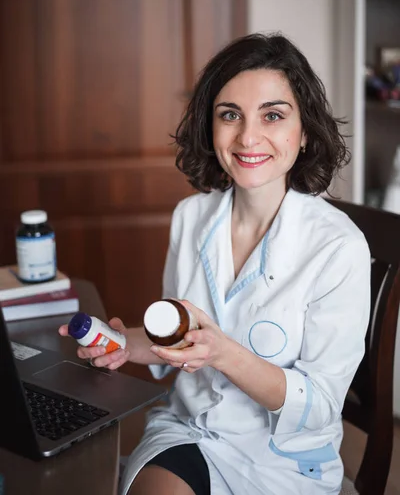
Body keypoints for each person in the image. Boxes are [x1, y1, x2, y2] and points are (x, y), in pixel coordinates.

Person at [59, 33, 371, 495]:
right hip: (190, 431)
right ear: (211, 127)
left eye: (273, 115)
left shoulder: (338, 246)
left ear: (304, 132)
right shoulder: (191, 217)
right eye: (230, 115)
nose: (248, 137)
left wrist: (227, 355)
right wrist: (124, 344)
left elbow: (321, 403)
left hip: (280, 459)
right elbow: (182, 338)